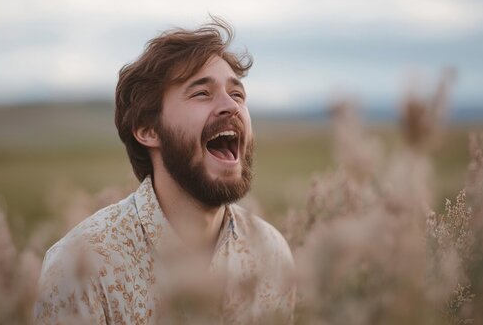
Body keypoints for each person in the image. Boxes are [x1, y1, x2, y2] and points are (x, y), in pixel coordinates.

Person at [34, 18, 295, 324]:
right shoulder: (79, 267)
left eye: (237, 94)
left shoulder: (271, 252)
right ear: (148, 130)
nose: (231, 106)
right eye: (202, 93)